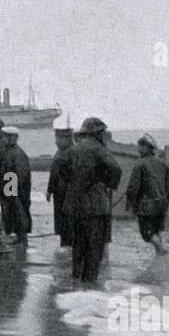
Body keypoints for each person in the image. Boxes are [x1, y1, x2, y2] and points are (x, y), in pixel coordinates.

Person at [65, 117, 122, 283]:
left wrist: (74, 184)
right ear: (97, 133)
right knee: (94, 247)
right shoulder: (98, 149)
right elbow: (116, 168)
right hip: (95, 206)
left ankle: (76, 279)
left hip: (75, 205)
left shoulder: (73, 149)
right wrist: (108, 184)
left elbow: (61, 166)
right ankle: (89, 283)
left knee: (78, 245)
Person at [125, 133, 169, 255]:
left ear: (146, 148)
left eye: (140, 146)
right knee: (157, 230)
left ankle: (161, 250)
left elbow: (133, 187)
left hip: (146, 206)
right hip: (161, 204)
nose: (138, 149)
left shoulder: (140, 164)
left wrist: (130, 204)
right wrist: (166, 201)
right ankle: (159, 257)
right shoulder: (163, 163)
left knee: (147, 234)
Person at [0, 126, 32, 242]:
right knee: (13, 216)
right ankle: (17, 238)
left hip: (16, 193)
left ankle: (21, 240)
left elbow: (19, 176)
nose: (2, 139)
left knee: (19, 216)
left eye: (5, 137)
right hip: (10, 191)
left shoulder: (17, 154)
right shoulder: (9, 152)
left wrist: (10, 194)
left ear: (13, 138)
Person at [46, 127, 75, 246]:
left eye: (58, 139)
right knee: (61, 222)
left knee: (67, 222)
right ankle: (64, 243)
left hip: (67, 193)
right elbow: (54, 173)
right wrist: (49, 190)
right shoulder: (60, 152)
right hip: (59, 193)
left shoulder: (72, 152)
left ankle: (67, 245)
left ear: (67, 139)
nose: (56, 142)